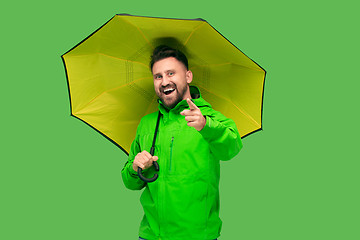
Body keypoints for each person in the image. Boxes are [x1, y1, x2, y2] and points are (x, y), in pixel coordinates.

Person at [121, 45, 242, 240]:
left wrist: (205, 126)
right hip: (151, 235)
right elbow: (129, 182)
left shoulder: (210, 118)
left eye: (171, 73)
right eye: (158, 76)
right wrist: (136, 167)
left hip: (196, 236)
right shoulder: (147, 123)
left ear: (188, 76)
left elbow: (231, 148)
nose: (164, 81)